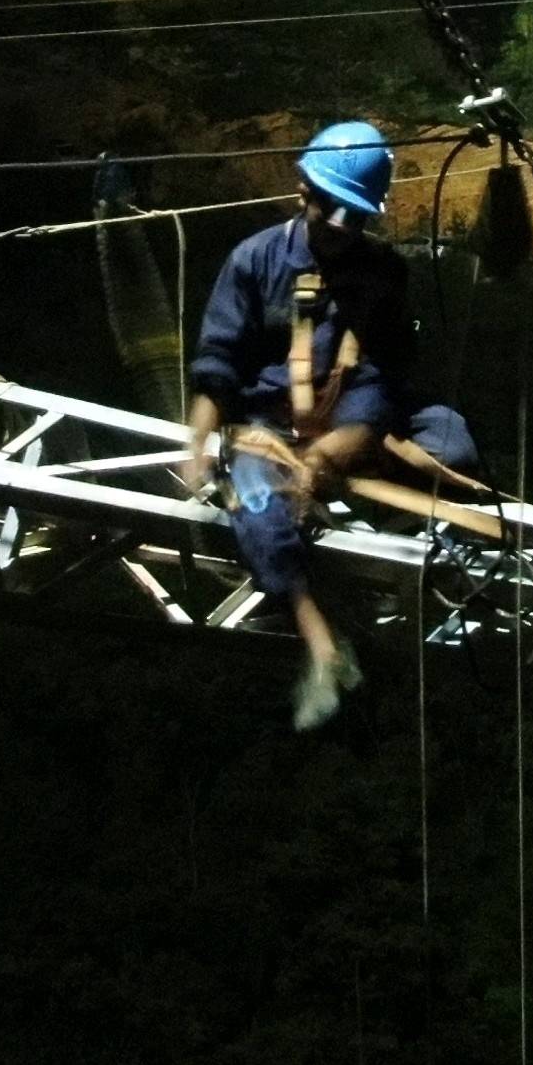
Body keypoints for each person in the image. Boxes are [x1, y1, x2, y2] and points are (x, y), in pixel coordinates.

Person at [183, 118, 418, 728]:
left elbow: (385, 382)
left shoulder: (382, 276)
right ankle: (320, 638)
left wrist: (330, 455)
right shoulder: (256, 260)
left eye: (353, 217)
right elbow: (218, 365)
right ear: (304, 195)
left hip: (346, 427)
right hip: (267, 427)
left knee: (448, 440)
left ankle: (406, 591)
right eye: (329, 211)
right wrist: (198, 443)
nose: (341, 229)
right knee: (259, 500)